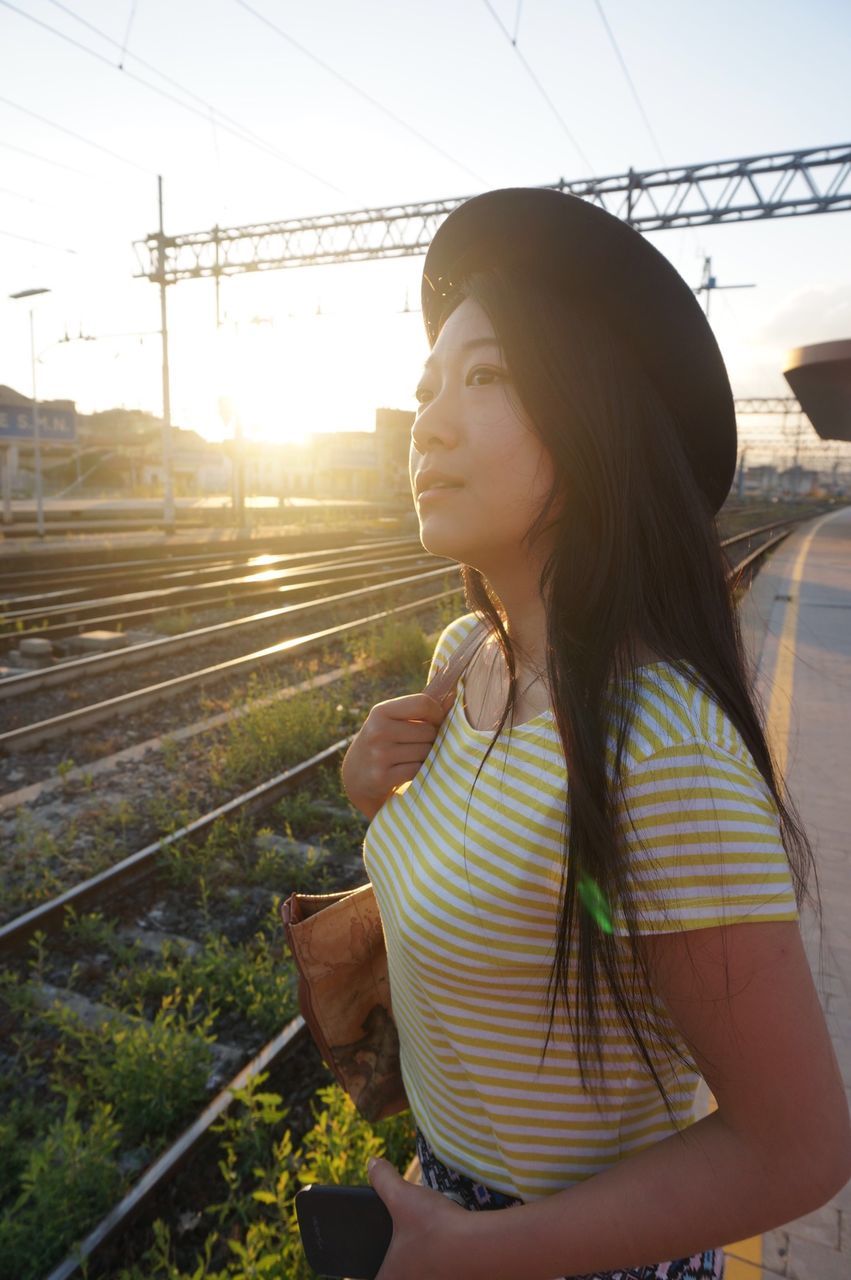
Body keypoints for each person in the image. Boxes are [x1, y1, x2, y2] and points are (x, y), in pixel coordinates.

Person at [340, 188, 851, 1280]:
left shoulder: (653, 744)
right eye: (427, 382)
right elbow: (505, 878)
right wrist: (371, 794)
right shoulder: (459, 664)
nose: (426, 417)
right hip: (450, 1216)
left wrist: (478, 1251)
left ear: (590, 418)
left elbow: (798, 1147)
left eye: (483, 376)